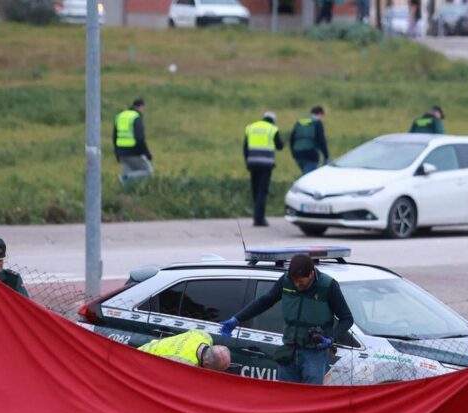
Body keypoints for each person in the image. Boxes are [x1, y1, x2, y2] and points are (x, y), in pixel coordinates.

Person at [219, 254, 354, 385]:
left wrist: (331, 338)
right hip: (288, 352)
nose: (296, 285)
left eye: (301, 282)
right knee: (287, 399)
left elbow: (347, 319)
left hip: (314, 354)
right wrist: (237, 319)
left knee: (310, 400)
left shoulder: (328, 286)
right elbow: (264, 302)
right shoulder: (286, 281)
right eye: (294, 281)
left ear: (311, 274)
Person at [244, 111, 284, 227]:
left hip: (253, 163)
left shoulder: (251, 127)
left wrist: (247, 162)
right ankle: (259, 218)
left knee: (255, 190)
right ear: (273, 120)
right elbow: (279, 146)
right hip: (266, 165)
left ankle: (256, 215)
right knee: (262, 191)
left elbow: (245, 148)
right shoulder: (272, 129)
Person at [138, 330, 231, 371]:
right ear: (206, 364)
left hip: (144, 349)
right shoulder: (186, 364)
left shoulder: (204, 335)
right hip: (140, 361)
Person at [113, 98, 154, 185]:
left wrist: (117, 153)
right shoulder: (136, 117)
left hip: (121, 152)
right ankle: (126, 177)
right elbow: (139, 138)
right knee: (148, 172)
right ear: (141, 107)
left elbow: (114, 136)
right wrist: (146, 153)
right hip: (134, 152)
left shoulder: (120, 116)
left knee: (130, 175)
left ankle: (127, 193)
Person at [290, 106, 330, 175]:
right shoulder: (317, 122)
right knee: (311, 177)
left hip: (297, 153)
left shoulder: (300, 121)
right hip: (310, 154)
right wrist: (326, 156)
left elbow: (291, 139)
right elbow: (321, 140)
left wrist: (293, 153)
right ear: (320, 114)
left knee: (305, 174)